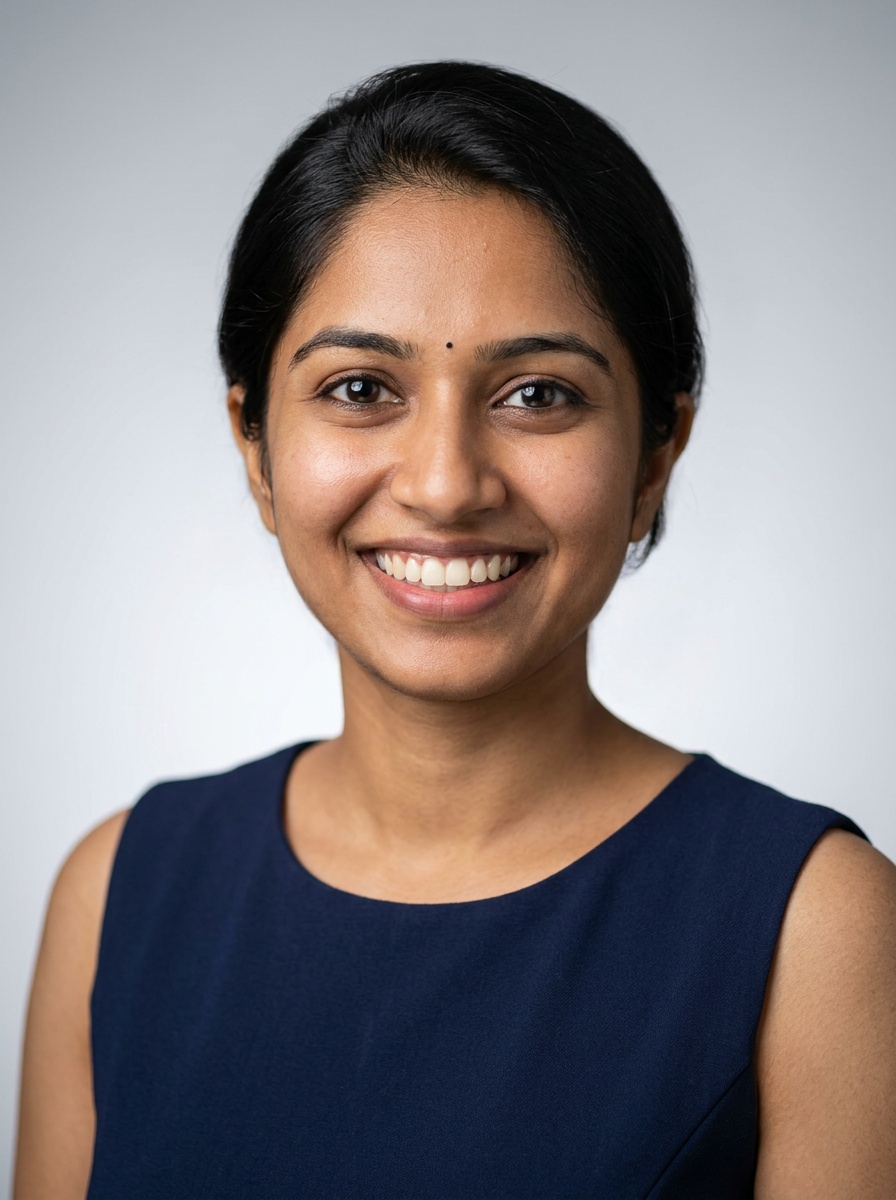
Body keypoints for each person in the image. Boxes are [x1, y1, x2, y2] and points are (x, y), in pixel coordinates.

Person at [14, 61, 896, 1200]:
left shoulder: (818, 928)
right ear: (254, 445)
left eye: (538, 394)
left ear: (655, 456)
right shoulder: (121, 894)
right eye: (358, 389)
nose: (443, 484)